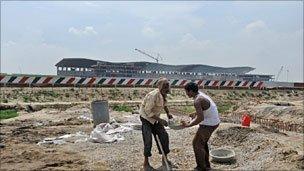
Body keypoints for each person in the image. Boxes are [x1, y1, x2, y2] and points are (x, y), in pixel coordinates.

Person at [181, 82, 220, 171]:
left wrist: (189, 125)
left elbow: (200, 118)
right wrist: (194, 114)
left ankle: (201, 167)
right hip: (213, 122)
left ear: (190, 91)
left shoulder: (197, 100)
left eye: (186, 92)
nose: (186, 94)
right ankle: (206, 166)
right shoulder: (201, 95)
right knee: (202, 143)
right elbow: (205, 109)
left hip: (209, 124)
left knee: (197, 144)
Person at [139, 77, 173, 171]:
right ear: (160, 87)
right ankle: (146, 163)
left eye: (167, 86)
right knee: (148, 139)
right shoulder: (153, 95)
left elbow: (164, 104)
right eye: (165, 87)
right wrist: (161, 120)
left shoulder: (164, 94)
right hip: (146, 118)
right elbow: (147, 111)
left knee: (164, 136)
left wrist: (168, 113)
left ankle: (164, 159)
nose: (167, 89)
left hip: (155, 118)